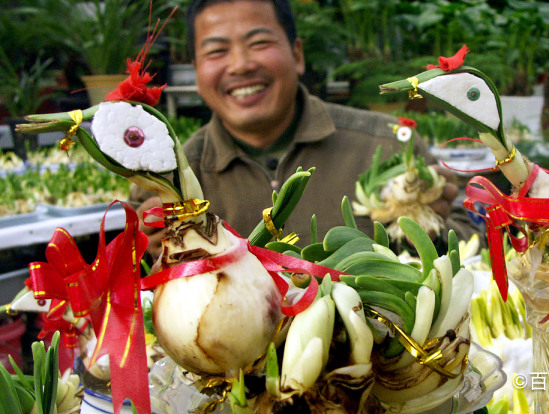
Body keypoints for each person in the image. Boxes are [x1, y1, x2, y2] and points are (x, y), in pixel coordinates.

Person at [133, 0, 483, 260]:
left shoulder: (389, 146)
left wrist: (429, 233)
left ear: (297, 55)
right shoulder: (170, 181)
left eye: (259, 43)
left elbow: (470, 246)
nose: (240, 64)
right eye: (217, 51)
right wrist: (148, 253)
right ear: (196, 71)